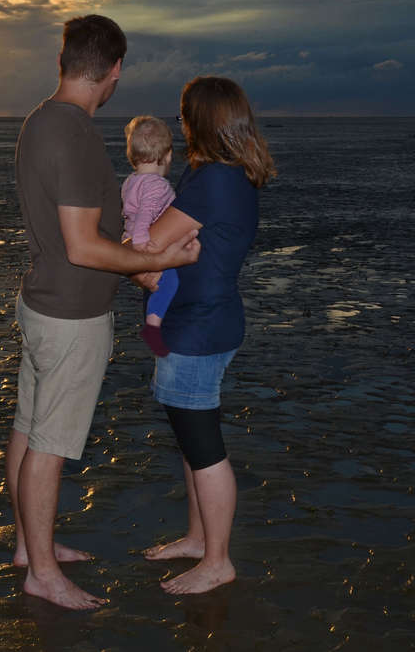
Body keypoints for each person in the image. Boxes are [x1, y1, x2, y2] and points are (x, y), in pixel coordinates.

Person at [7, 15, 201, 610]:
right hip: (70, 316)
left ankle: (28, 547)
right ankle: (42, 573)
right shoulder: (74, 134)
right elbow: (82, 245)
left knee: (28, 427)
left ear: (64, 61)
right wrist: (154, 262)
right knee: (50, 442)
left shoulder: (39, 121)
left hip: (41, 302)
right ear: (114, 71)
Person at [136, 76, 275, 594]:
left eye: (183, 113)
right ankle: (199, 540)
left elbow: (148, 247)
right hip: (200, 321)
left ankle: (218, 560)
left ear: (201, 121)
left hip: (199, 327)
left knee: (204, 445)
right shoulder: (219, 175)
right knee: (192, 442)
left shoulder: (216, 179)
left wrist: (139, 258)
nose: (180, 122)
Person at [120, 115, 178, 357]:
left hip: (131, 238)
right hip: (148, 244)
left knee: (157, 286)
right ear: (167, 155)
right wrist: (144, 249)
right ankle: (153, 327)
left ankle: (155, 322)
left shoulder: (131, 181)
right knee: (170, 282)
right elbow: (144, 216)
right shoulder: (158, 185)